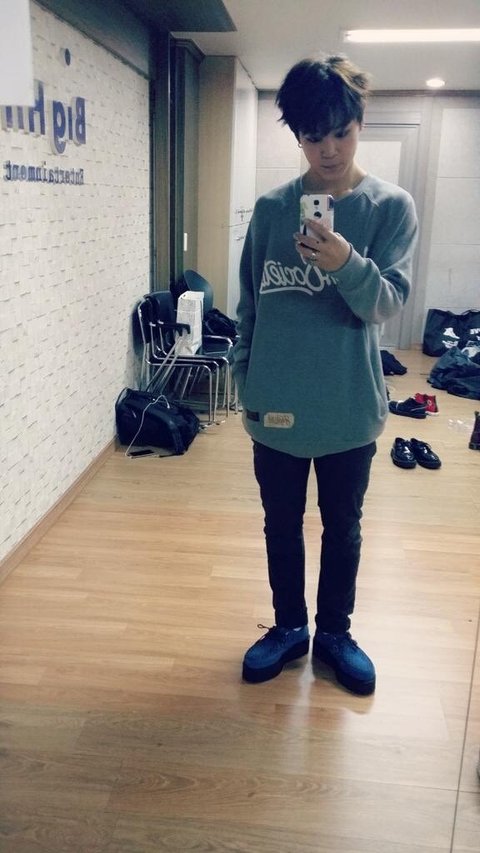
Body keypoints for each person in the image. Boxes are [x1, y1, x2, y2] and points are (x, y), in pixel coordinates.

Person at [232, 55, 418, 695]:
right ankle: (290, 627)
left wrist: (345, 262)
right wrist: (245, 379)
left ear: (360, 124)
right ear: (298, 135)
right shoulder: (269, 210)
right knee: (280, 527)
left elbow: (386, 305)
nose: (329, 149)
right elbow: (250, 305)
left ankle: (335, 633)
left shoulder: (390, 208)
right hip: (275, 405)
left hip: (348, 405)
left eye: (342, 132)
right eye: (314, 136)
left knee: (343, 529)